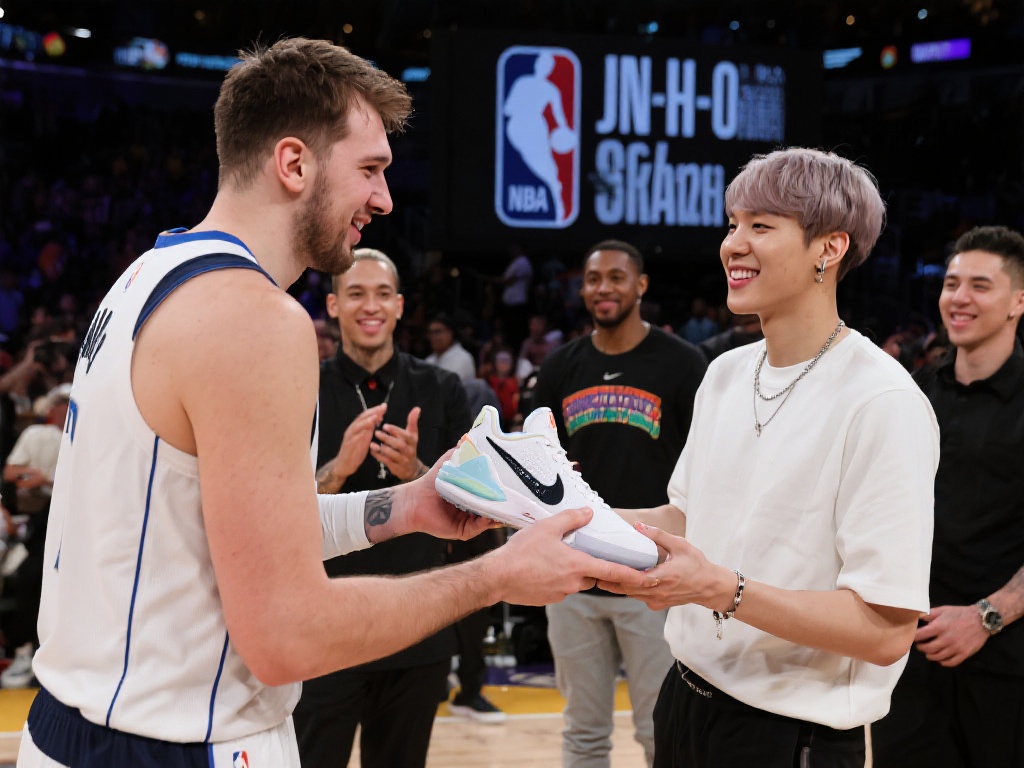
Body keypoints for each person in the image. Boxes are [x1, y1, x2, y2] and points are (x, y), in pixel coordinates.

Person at [19, 38, 654, 767]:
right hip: (175, 740)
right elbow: (287, 634)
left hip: (79, 726)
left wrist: (404, 508)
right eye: (371, 170)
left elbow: (238, 532)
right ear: (294, 163)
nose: (384, 199)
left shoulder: (149, 275)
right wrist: (495, 577)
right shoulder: (254, 318)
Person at [602, 148, 940, 768]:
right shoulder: (725, 374)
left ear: (828, 249)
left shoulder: (883, 400)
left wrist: (719, 588)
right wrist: (561, 518)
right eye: (733, 224)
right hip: (682, 699)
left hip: (790, 733)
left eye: (761, 226)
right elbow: (683, 519)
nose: (734, 244)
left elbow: (886, 631)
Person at [532, 239, 707, 767]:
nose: (603, 288)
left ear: (641, 286)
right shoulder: (561, 366)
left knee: (662, 733)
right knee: (583, 732)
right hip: (574, 574)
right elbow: (539, 467)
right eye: (592, 279)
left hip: (653, 576)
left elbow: (704, 467)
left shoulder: (683, 364)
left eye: (615, 277)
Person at [294, 248, 470, 767]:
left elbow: (475, 513)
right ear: (332, 305)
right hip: (325, 624)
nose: (368, 306)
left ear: (398, 306)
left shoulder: (442, 387)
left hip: (416, 625)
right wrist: (338, 469)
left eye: (380, 294)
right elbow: (279, 515)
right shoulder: (305, 388)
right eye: (355, 293)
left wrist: (415, 475)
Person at [872, 225, 1024, 768]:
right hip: (910, 665)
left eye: (980, 285)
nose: (958, 298)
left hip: (1007, 666)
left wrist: (986, 616)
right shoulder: (910, 395)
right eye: (952, 283)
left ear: (1017, 302)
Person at [424, 312, 477, 383]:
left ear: (450, 332)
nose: (433, 337)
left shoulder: (463, 358)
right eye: (430, 332)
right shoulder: (429, 360)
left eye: (437, 332)